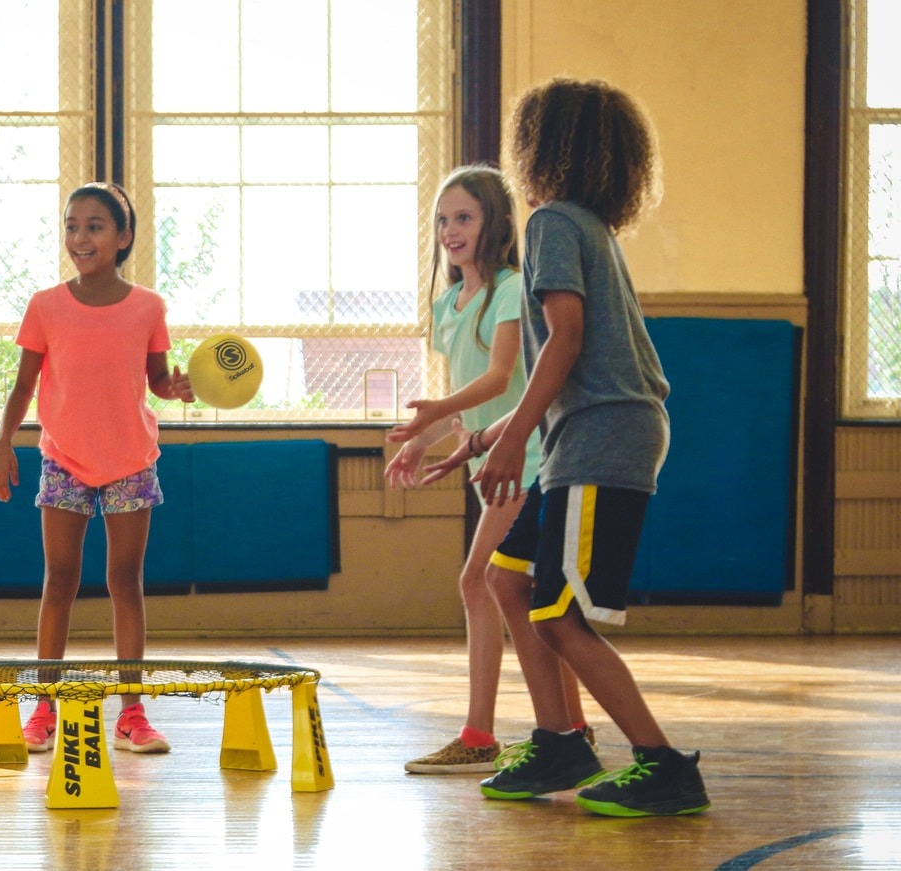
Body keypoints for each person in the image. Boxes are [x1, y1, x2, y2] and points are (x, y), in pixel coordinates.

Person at [421, 78, 710, 816]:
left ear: (541, 147)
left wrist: (513, 440)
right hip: (582, 436)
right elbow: (567, 358)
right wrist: (485, 436)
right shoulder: (585, 225)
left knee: (556, 615)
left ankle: (663, 762)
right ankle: (560, 739)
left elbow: (569, 340)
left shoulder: (551, 221)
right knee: (506, 580)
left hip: (602, 437)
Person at [386, 165, 594, 775]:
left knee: (479, 582)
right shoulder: (449, 303)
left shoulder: (511, 288)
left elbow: (502, 377)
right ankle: (572, 729)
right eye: (443, 219)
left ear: (495, 223)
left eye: (465, 217)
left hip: (529, 459)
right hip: (492, 462)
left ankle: (483, 735)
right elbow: (466, 397)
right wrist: (422, 439)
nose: (451, 230)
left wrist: (442, 418)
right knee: (520, 597)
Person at [0, 181, 195, 755]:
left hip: (130, 461)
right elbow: (24, 385)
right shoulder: (46, 305)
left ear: (123, 236)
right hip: (64, 461)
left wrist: (173, 387)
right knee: (59, 582)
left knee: (125, 583)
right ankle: (43, 710)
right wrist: (3, 443)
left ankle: (131, 713)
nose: (80, 237)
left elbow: (154, 379)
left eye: (95, 226)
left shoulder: (149, 306)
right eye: (72, 225)